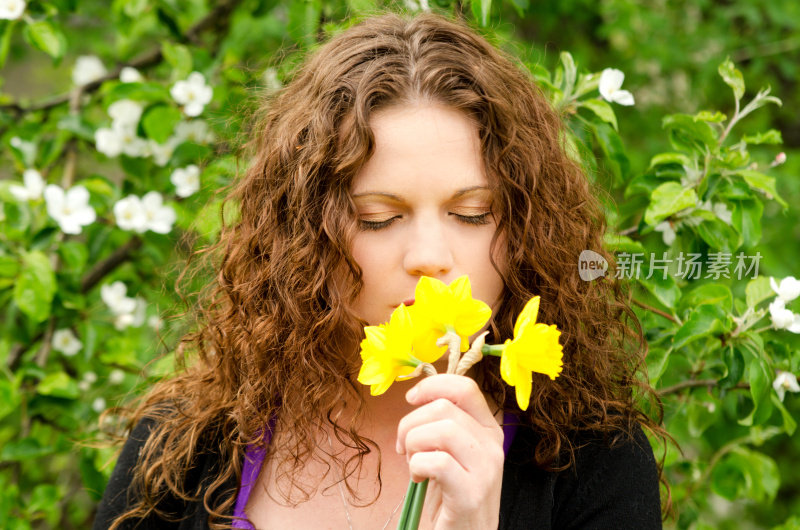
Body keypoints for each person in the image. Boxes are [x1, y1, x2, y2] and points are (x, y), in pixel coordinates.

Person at [94, 11, 668, 530]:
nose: (428, 256)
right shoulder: (187, 445)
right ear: (302, 237)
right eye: (376, 218)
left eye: (471, 214)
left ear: (525, 229)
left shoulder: (595, 463)